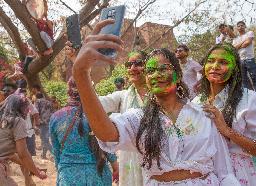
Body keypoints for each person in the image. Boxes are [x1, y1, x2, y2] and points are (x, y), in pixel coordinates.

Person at [72, 19, 241, 185]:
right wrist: (81, 73)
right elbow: (106, 133)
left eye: (163, 68)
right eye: (150, 71)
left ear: (178, 75)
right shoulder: (140, 118)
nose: (156, 74)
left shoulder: (204, 114)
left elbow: (224, 171)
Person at [192, 43, 256, 186]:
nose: (215, 66)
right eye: (211, 61)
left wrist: (228, 131)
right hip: (203, 175)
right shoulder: (195, 102)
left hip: (237, 176)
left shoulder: (249, 99)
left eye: (223, 62)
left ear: (235, 69)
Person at [65, 41, 148, 186]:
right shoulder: (122, 97)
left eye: (138, 63)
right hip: (130, 163)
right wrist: (78, 65)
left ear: (148, 66)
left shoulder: (161, 97)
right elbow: (94, 103)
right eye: (129, 65)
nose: (133, 68)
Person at [49, 77, 119, 186]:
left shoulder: (56, 117)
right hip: (97, 174)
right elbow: (107, 145)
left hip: (68, 176)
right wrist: (115, 167)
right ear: (90, 90)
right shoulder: (97, 114)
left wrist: (61, 171)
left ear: (69, 91)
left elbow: (56, 151)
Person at [0, 94, 47, 185]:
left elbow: (11, 155)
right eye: (26, 108)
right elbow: (23, 153)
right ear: (20, 108)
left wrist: (32, 167)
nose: (28, 111)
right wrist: (38, 173)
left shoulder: (3, 120)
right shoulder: (17, 121)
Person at [233, 21, 256, 92]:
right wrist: (243, 41)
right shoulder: (236, 38)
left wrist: (239, 45)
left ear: (245, 26)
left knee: (253, 77)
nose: (240, 27)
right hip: (240, 60)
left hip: (250, 59)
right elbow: (234, 48)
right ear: (237, 28)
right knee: (244, 79)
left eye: (242, 25)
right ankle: (248, 94)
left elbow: (247, 43)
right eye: (238, 26)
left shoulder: (249, 33)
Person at [35, 92, 53, 159]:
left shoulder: (37, 101)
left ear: (37, 97)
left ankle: (54, 153)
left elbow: (36, 112)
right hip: (49, 122)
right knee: (46, 139)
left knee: (44, 140)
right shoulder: (48, 102)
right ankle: (44, 155)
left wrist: (36, 124)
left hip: (42, 123)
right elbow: (52, 112)